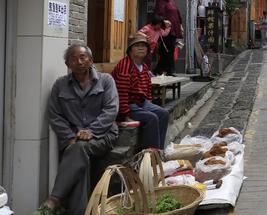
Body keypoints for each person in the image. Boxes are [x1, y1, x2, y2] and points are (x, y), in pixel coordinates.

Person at [36, 44, 118, 215]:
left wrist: (92, 131)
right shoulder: (60, 85)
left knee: (79, 148)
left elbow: (111, 110)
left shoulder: (106, 80)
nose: (79, 61)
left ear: (91, 60)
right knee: (80, 154)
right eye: (74, 58)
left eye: (83, 57)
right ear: (67, 64)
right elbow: (55, 115)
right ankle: (80, 211)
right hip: (74, 138)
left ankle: (54, 200)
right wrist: (68, 136)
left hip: (103, 135)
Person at [112, 35, 169, 150]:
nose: (141, 48)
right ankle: (149, 154)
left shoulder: (144, 66)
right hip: (127, 105)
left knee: (163, 114)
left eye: (144, 46)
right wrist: (124, 115)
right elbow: (121, 93)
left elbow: (148, 89)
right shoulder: (125, 65)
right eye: (137, 46)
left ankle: (158, 150)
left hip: (141, 103)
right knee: (151, 118)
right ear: (130, 50)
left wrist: (149, 104)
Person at [154, 0, 183, 76]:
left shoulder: (171, 1)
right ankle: (168, 70)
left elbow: (177, 14)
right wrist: (163, 21)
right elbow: (158, 15)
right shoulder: (160, 2)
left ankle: (162, 70)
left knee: (170, 50)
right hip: (166, 31)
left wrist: (180, 25)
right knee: (166, 51)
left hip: (174, 29)